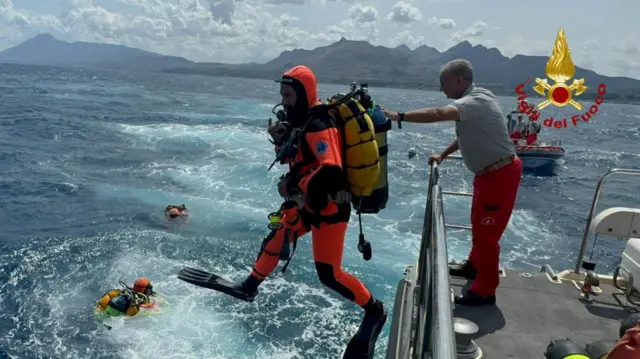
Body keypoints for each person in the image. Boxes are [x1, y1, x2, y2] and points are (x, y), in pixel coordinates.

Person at [179, 65, 387, 357]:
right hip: (308, 202)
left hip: (329, 206)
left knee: (329, 275)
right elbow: (302, 157)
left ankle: (375, 310)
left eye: (288, 95)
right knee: (280, 228)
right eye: (282, 94)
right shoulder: (302, 120)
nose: (284, 101)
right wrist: (280, 141)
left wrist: (293, 185)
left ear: (304, 94)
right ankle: (249, 286)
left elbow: (332, 173)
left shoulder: (318, 124)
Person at [382, 59, 522, 306]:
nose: (440, 89)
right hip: (488, 175)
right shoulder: (477, 100)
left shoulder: (475, 101)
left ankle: (485, 291)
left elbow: (438, 113)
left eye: (443, 83)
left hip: (500, 176)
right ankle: (473, 266)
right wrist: (443, 154)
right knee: (479, 226)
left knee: (487, 234)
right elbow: (469, 134)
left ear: (460, 80)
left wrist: (398, 116)